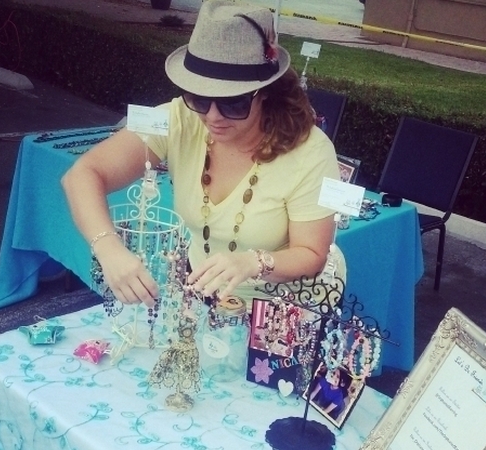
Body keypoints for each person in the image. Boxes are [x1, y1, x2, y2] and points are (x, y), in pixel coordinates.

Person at [61, 0, 341, 309]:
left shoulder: (311, 152)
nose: (212, 116)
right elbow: (83, 175)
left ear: (265, 93)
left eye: (233, 103)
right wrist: (108, 248)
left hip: (279, 313)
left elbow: (312, 254)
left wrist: (255, 262)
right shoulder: (180, 118)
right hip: (202, 301)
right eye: (199, 98)